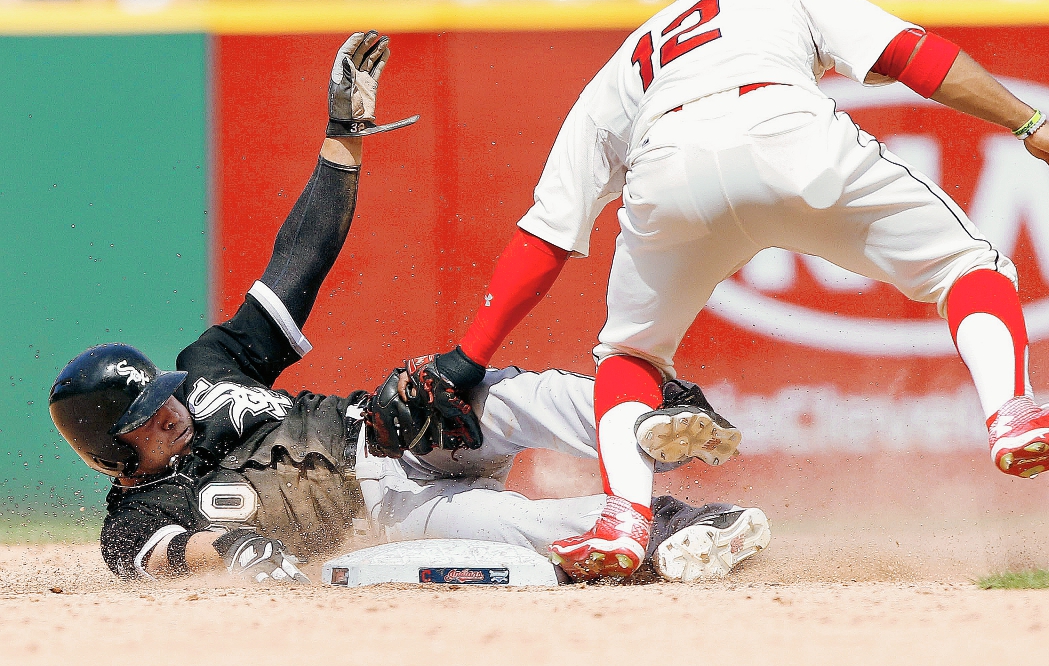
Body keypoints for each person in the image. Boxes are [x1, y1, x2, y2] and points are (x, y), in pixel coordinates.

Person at [408, 0, 1049, 581]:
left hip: (667, 165)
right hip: (790, 136)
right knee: (967, 265)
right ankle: (1013, 415)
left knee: (629, 356)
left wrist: (467, 358)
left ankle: (625, 519)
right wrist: (1027, 122)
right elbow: (913, 57)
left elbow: (547, 234)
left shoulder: (627, 60)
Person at [47, 32, 768, 585]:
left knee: (509, 396)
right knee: (518, 525)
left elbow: (298, 265)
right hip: (388, 515)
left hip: (394, 432)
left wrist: (341, 143)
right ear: (113, 450)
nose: (170, 413)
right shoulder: (133, 521)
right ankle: (689, 530)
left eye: (161, 401)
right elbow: (173, 553)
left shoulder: (207, 370)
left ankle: (647, 416)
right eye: (146, 420)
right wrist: (234, 548)